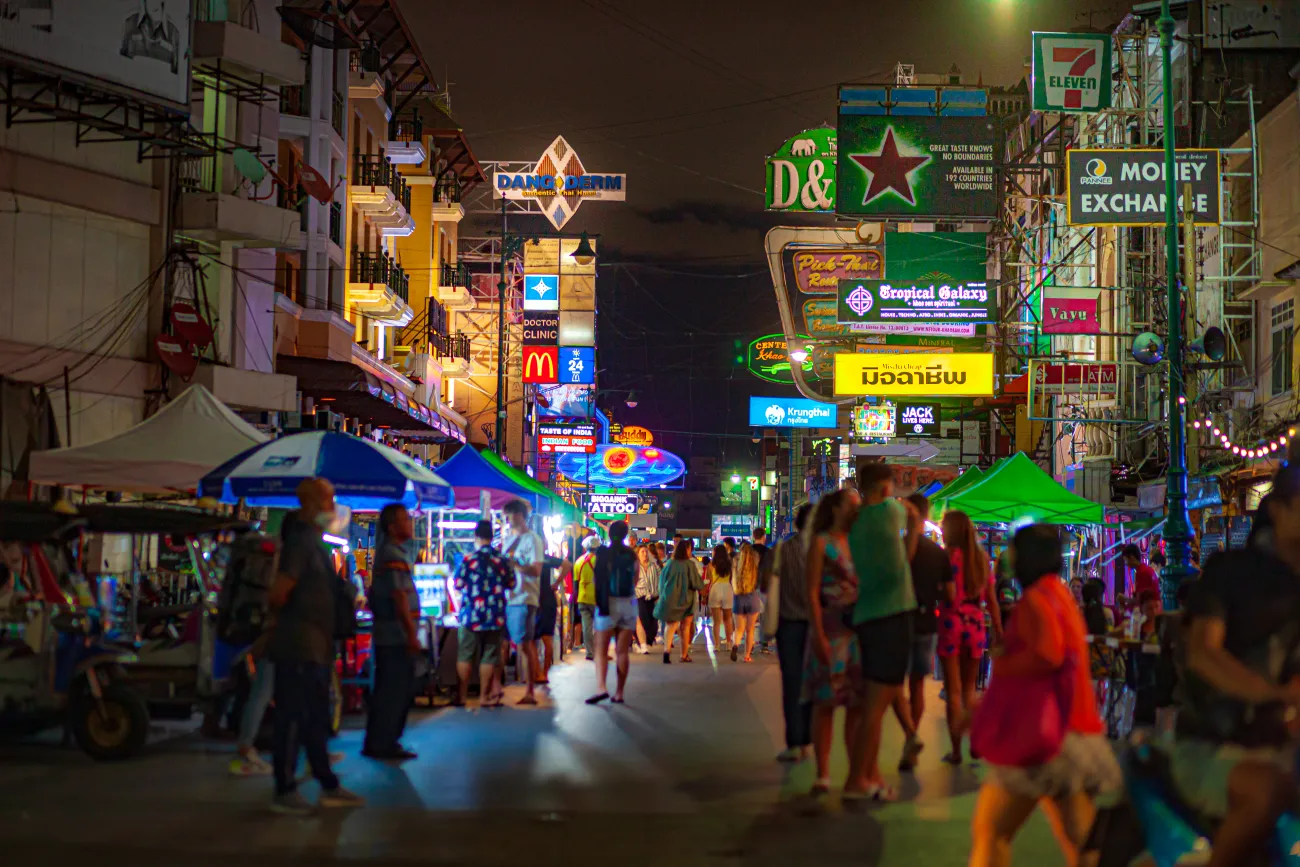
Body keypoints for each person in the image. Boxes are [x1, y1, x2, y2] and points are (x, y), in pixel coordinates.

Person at [1160, 468, 1300, 867]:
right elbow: (1205, 653)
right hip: (1214, 743)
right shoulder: (1231, 572)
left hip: (1284, 746)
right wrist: (1271, 695)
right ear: (1280, 510)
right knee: (1266, 789)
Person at [969, 524, 1120, 867]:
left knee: (992, 829)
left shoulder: (1036, 599)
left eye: (1015, 552)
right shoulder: (1059, 595)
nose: (1010, 559)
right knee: (1082, 841)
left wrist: (1004, 662)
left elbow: (1047, 654)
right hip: (1073, 732)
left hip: (1048, 739)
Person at [266, 478, 363, 814]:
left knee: (315, 718)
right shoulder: (300, 543)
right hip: (299, 647)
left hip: (317, 646)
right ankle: (284, 788)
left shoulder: (315, 543)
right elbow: (279, 591)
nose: (332, 506)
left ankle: (327, 783)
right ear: (312, 502)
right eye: (329, 499)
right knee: (293, 718)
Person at [845, 463, 920, 801]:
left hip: (865, 616)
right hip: (893, 614)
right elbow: (908, 556)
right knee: (877, 706)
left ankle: (865, 777)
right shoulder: (892, 512)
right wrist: (915, 525)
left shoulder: (855, 521)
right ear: (885, 487)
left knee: (869, 705)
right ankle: (858, 781)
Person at [803, 488, 865, 795]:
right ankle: (823, 772)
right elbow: (811, 591)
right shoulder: (821, 543)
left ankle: (855, 772)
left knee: (857, 705)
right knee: (826, 703)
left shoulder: (860, 542)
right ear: (836, 509)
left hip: (858, 631)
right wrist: (817, 633)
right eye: (851, 504)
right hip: (830, 628)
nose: (857, 508)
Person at [938, 509, 1003, 766]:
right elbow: (992, 600)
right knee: (969, 690)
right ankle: (976, 743)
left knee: (953, 691)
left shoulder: (948, 558)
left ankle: (955, 751)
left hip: (951, 621)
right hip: (976, 623)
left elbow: (948, 594)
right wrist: (998, 629)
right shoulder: (981, 558)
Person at [895, 493, 953, 773]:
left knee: (892, 684)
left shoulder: (897, 548)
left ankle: (909, 735)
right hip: (927, 622)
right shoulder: (938, 553)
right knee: (917, 684)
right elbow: (949, 594)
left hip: (897, 621)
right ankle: (911, 734)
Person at [362, 503, 420, 761]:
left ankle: (382, 741)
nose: (410, 523)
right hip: (395, 635)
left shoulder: (394, 552)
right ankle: (384, 743)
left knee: (391, 689)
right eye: (406, 520)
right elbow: (398, 597)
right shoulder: (392, 554)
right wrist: (411, 633)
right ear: (393, 527)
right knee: (394, 691)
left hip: (393, 634)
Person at [451, 520, 514, 709]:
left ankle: (462, 696)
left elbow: (458, 584)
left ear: (476, 537)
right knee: (489, 655)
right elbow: (511, 584)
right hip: (494, 614)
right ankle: (484, 697)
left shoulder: (468, 559)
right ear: (492, 536)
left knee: (465, 655)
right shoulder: (501, 560)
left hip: (471, 615)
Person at [772, 502, 814, 763]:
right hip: (818, 625)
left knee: (792, 684)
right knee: (814, 684)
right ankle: (809, 741)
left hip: (788, 624)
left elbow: (769, 583)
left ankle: (794, 743)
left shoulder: (783, 550)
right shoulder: (828, 549)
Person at [587, 521, 640, 705]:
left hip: (608, 603)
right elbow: (636, 578)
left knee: (601, 649)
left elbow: (597, 579)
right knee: (622, 651)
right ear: (625, 535)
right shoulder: (632, 554)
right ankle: (619, 692)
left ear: (609, 534)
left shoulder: (604, 553)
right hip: (628, 604)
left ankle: (601, 687)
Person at [500, 498, 543, 707]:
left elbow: (536, 570)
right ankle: (497, 688)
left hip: (525, 598)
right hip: (508, 598)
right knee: (505, 644)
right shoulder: (508, 540)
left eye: (508, 515)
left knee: (525, 645)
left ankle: (530, 690)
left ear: (519, 515)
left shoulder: (533, 540)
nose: (507, 520)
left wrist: (515, 565)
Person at [654, 539, 704, 663]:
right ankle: (684, 655)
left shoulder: (669, 564)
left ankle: (666, 651)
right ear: (687, 550)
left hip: (671, 598)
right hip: (687, 599)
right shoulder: (690, 565)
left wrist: (663, 595)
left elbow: (661, 583)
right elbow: (696, 583)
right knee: (685, 627)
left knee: (670, 626)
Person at [731, 541, 762, 663]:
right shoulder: (755, 561)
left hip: (738, 596)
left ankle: (735, 645)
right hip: (752, 596)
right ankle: (747, 656)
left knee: (739, 629)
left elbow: (732, 579)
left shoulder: (735, 561)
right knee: (750, 630)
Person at [574, 536, 600, 660]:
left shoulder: (578, 562)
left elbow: (576, 583)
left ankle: (590, 652)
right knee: (599, 626)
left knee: (586, 626)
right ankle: (598, 651)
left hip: (582, 597)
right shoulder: (599, 561)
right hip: (596, 598)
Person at [707, 544, 735, 652]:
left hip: (715, 589)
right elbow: (731, 578)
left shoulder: (711, 564)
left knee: (716, 621)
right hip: (727, 589)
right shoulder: (729, 564)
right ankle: (728, 644)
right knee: (728, 619)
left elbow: (709, 578)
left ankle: (717, 645)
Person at [633, 543, 660, 654]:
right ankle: (643, 645)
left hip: (653, 598)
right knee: (640, 621)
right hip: (639, 597)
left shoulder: (654, 566)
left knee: (653, 624)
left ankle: (643, 641)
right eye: (642, 552)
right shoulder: (634, 567)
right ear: (638, 554)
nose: (645, 554)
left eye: (646, 551)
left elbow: (661, 579)